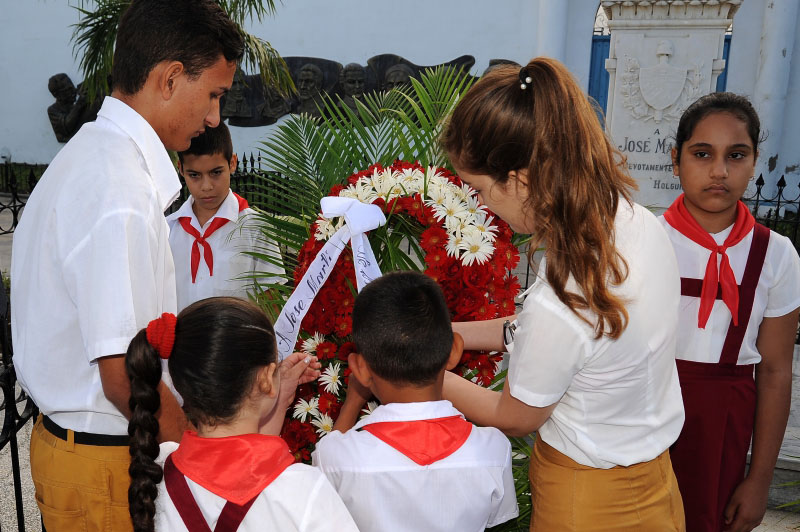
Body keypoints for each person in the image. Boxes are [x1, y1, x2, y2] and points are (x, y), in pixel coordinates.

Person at [11, 1, 243, 530]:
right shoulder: (119, 191)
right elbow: (122, 376)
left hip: (84, 451)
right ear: (169, 78)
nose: (215, 118)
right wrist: (199, 449)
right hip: (107, 462)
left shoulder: (91, 155)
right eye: (213, 95)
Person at [440, 57, 686, 531]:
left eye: (479, 189)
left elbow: (515, 415)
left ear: (520, 180)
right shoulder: (632, 220)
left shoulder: (564, 298)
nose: (481, 205)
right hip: (653, 476)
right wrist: (452, 333)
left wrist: (423, 370)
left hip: (587, 499)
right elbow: (567, 339)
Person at [660, 92, 800, 532]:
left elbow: (776, 371)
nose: (719, 171)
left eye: (735, 155)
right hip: (645, 414)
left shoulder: (776, 255)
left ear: (755, 161)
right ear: (676, 159)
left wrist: (759, 480)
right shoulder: (644, 240)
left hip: (722, 428)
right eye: (702, 154)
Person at [312, 271, 519, 532]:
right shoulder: (492, 450)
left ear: (361, 370)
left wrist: (353, 401)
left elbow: (322, 489)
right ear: (454, 350)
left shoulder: (339, 457)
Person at [125, 297, 351, 531]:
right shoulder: (303, 490)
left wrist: (278, 398)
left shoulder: (158, 468)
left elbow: (236, 459)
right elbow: (249, 468)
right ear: (266, 378)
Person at [166, 122, 284, 311]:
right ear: (181, 169)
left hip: (237, 340)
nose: (206, 186)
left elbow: (271, 301)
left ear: (232, 163)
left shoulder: (256, 227)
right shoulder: (168, 229)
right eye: (194, 175)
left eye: (216, 173)